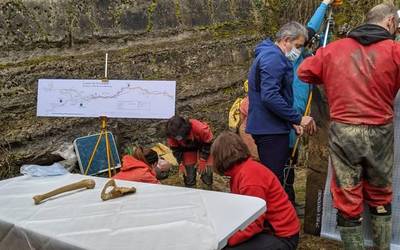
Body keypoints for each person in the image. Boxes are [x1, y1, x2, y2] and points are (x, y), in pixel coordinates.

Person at [298, 3, 400, 249]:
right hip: (380, 132)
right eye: (396, 25)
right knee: (380, 192)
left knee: (347, 194)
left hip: (344, 132)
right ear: (388, 23)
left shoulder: (332, 50)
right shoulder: (395, 50)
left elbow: (304, 72)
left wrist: (331, 76)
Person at [246, 21, 317, 186]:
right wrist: (298, 118)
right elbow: (270, 96)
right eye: (297, 45)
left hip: (270, 125)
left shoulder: (269, 54)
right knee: (274, 181)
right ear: (286, 40)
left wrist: (290, 121)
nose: (298, 51)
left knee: (275, 177)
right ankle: (274, 210)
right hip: (270, 130)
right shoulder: (273, 58)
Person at [211, 132, 300, 250]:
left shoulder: (250, 177)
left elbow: (254, 223)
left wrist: (226, 240)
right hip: (268, 230)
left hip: (282, 236)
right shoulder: (239, 172)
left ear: (219, 157)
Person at [285, 0, 335, 206]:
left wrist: (328, 20)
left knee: (292, 161)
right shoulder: (290, 58)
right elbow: (310, 28)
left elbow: (323, 42)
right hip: (289, 118)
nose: (304, 45)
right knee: (286, 162)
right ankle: (286, 201)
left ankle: (289, 199)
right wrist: (323, 4)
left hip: (300, 117)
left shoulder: (308, 59)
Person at [166, 115, 213, 188]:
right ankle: (190, 189)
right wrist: (180, 162)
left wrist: (203, 159)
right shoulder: (171, 134)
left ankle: (207, 186)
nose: (177, 139)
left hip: (204, 147)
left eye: (179, 137)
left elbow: (208, 144)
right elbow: (176, 150)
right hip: (186, 150)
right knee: (188, 173)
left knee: (207, 170)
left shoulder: (201, 129)